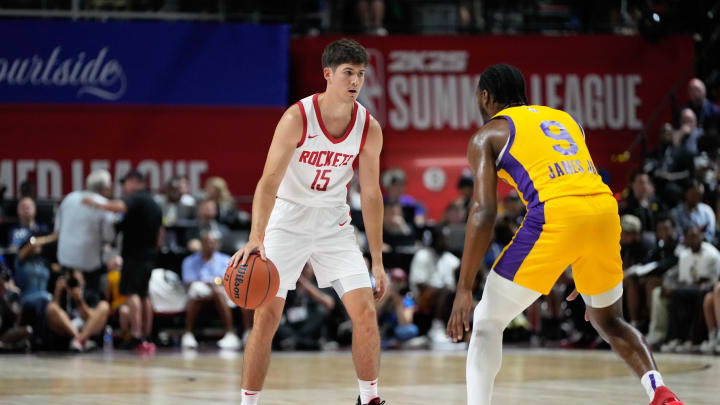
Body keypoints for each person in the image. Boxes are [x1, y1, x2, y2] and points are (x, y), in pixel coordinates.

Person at [445, 64, 683, 405]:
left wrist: (464, 288)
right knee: (610, 320)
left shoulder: (487, 135)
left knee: (486, 320)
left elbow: (483, 212)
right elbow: (575, 183)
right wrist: (579, 260)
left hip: (555, 215)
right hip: (603, 210)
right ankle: (659, 391)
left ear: (485, 97)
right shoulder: (565, 120)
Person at [228, 38, 387, 405]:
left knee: (364, 312)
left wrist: (377, 260)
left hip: (334, 222)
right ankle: (248, 402)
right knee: (266, 318)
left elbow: (372, 194)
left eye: (361, 74)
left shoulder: (368, 127)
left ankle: (370, 398)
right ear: (328, 75)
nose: (355, 82)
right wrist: (256, 236)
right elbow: (268, 182)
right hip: (288, 218)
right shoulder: (297, 117)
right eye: (348, 73)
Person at [85, 168, 162, 352]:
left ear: (134, 181)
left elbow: (120, 206)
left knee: (132, 293)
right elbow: (160, 235)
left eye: (125, 184)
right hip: (150, 255)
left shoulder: (137, 198)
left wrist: (96, 204)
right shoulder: (154, 203)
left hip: (135, 254)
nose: (124, 188)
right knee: (143, 294)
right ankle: (146, 336)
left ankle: (136, 335)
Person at [55, 170, 117, 299]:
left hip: (64, 260)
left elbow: (57, 230)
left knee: (67, 299)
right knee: (90, 299)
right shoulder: (104, 204)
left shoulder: (68, 198)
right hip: (88, 265)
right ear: (104, 188)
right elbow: (109, 236)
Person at [181, 229, 243, 350]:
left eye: (213, 242)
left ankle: (231, 333)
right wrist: (214, 281)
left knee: (218, 291)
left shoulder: (226, 260)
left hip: (220, 292)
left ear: (218, 244)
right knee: (196, 290)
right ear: (201, 244)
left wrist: (214, 283)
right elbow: (188, 282)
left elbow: (227, 281)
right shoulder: (189, 261)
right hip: (199, 291)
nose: (210, 245)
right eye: (207, 242)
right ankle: (188, 333)